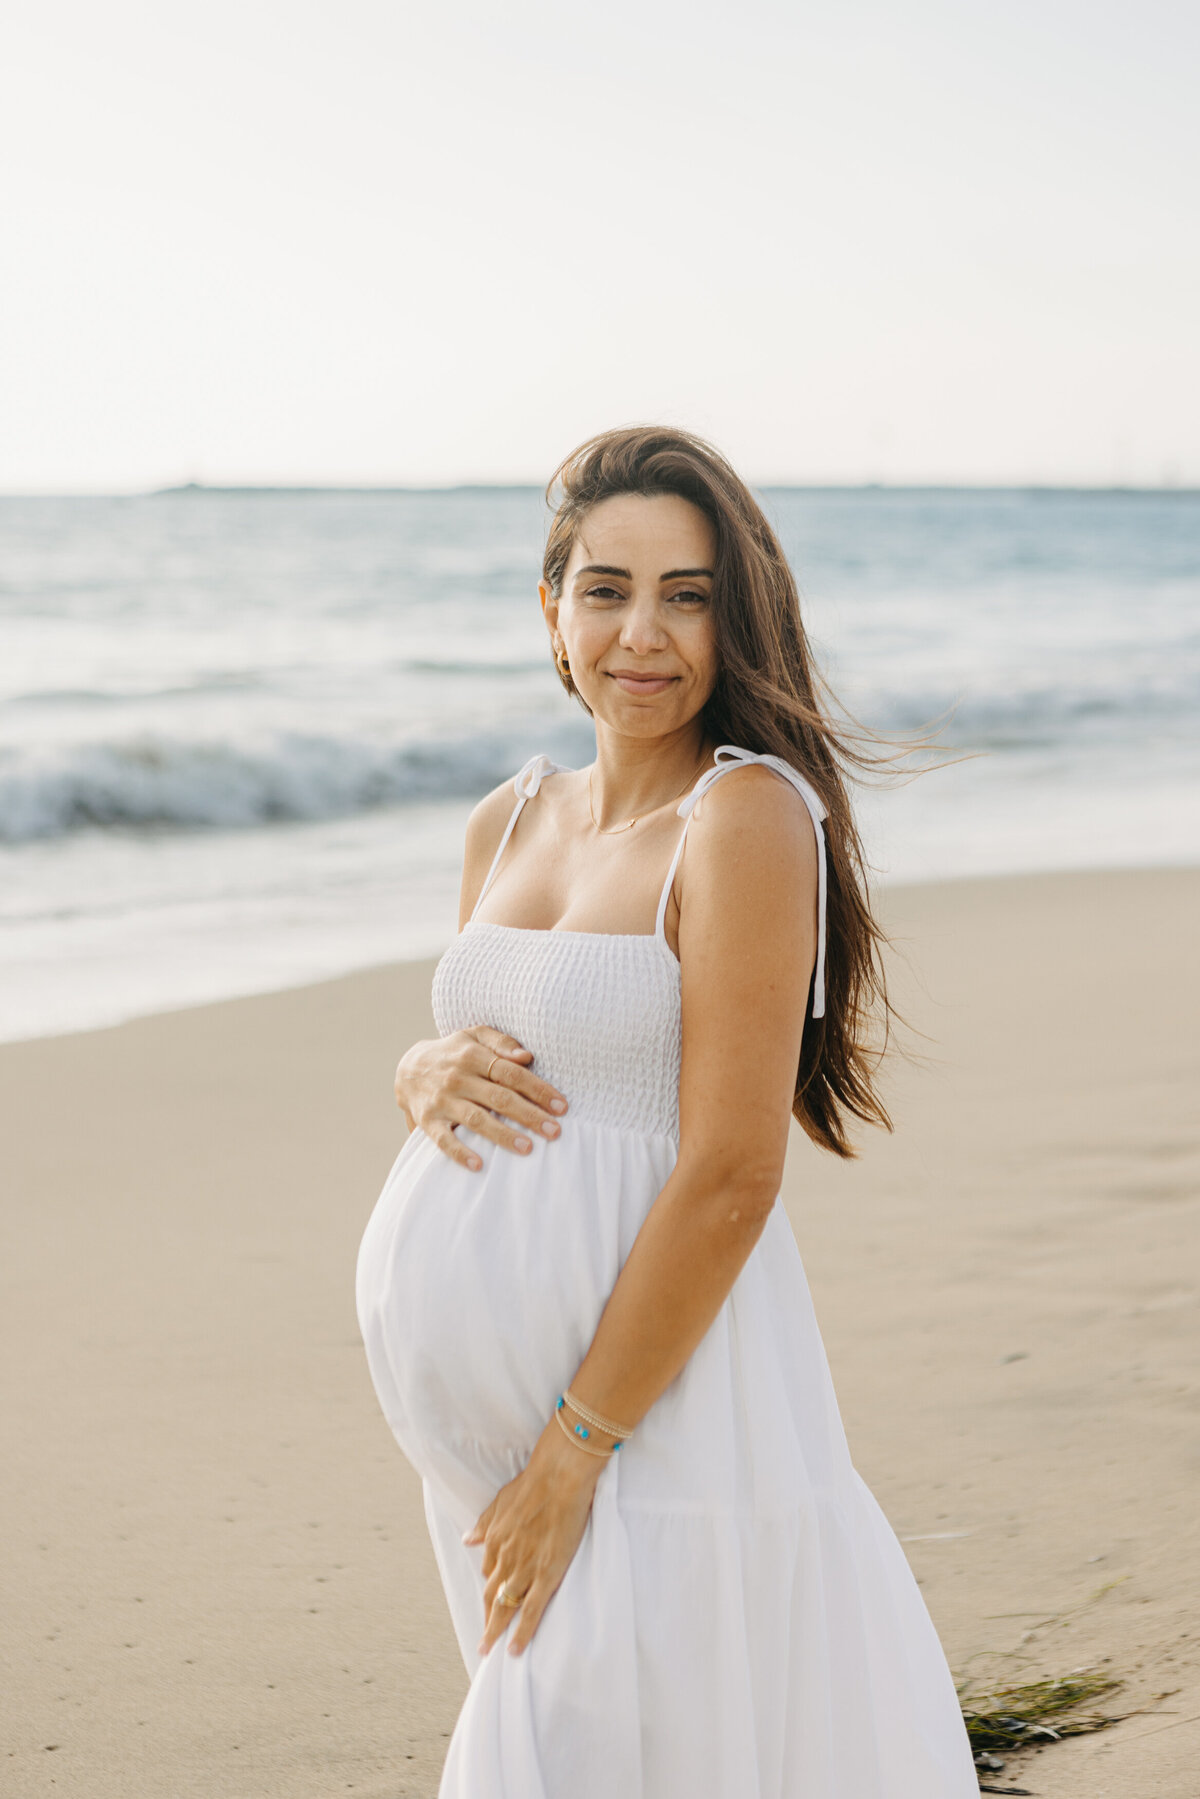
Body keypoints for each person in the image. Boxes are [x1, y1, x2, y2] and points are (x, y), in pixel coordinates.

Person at [356, 425, 978, 1798]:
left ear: (737, 618)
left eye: (688, 596)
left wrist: (576, 1452)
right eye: (608, 590)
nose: (644, 633)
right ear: (549, 608)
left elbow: (733, 1175)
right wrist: (415, 1070)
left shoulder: (746, 819)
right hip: (501, 1445)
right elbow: (501, 1056)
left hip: (655, 1420)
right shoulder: (508, 819)